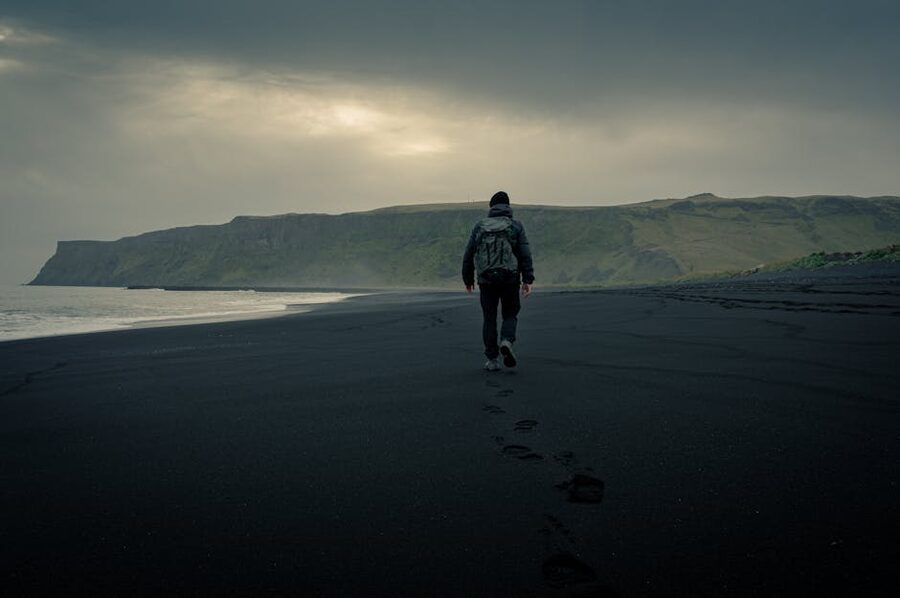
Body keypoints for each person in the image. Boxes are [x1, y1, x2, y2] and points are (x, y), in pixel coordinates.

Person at [462, 191, 535, 371]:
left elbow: (469, 254)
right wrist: (527, 279)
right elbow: (524, 254)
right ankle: (506, 341)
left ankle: (492, 360)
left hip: (486, 280)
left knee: (489, 318)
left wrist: (468, 278)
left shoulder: (479, 227)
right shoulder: (515, 226)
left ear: (491, 207)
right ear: (508, 207)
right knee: (510, 313)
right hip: (510, 278)